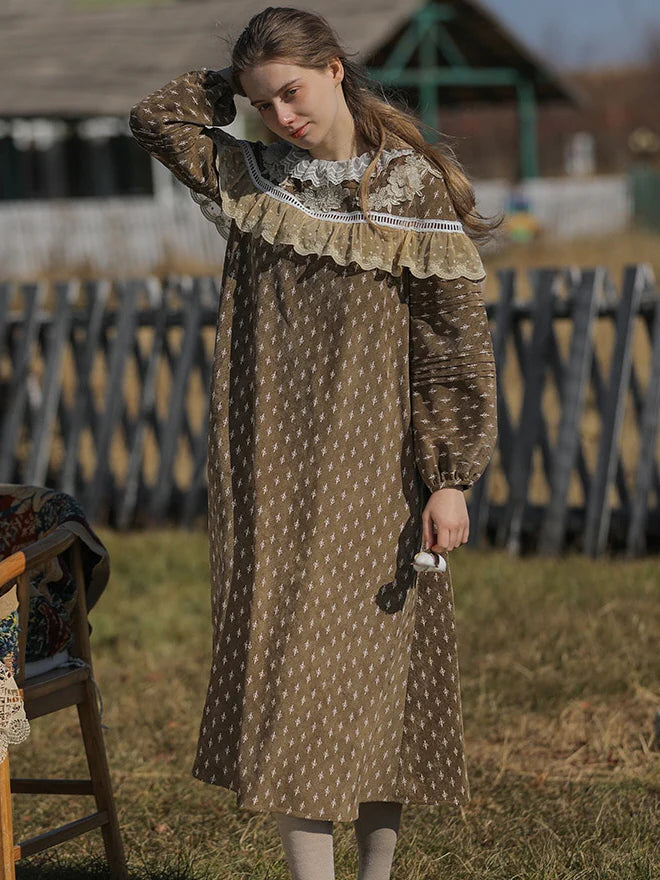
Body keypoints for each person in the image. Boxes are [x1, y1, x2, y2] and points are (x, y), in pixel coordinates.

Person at [129, 6, 498, 879]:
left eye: (293, 92)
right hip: (266, 466)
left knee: (376, 683)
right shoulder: (251, 176)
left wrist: (451, 477)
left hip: (378, 472)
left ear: (338, 70)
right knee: (292, 681)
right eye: (263, 105)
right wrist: (238, 84)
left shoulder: (411, 188)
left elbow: (452, 344)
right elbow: (156, 117)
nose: (281, 117)